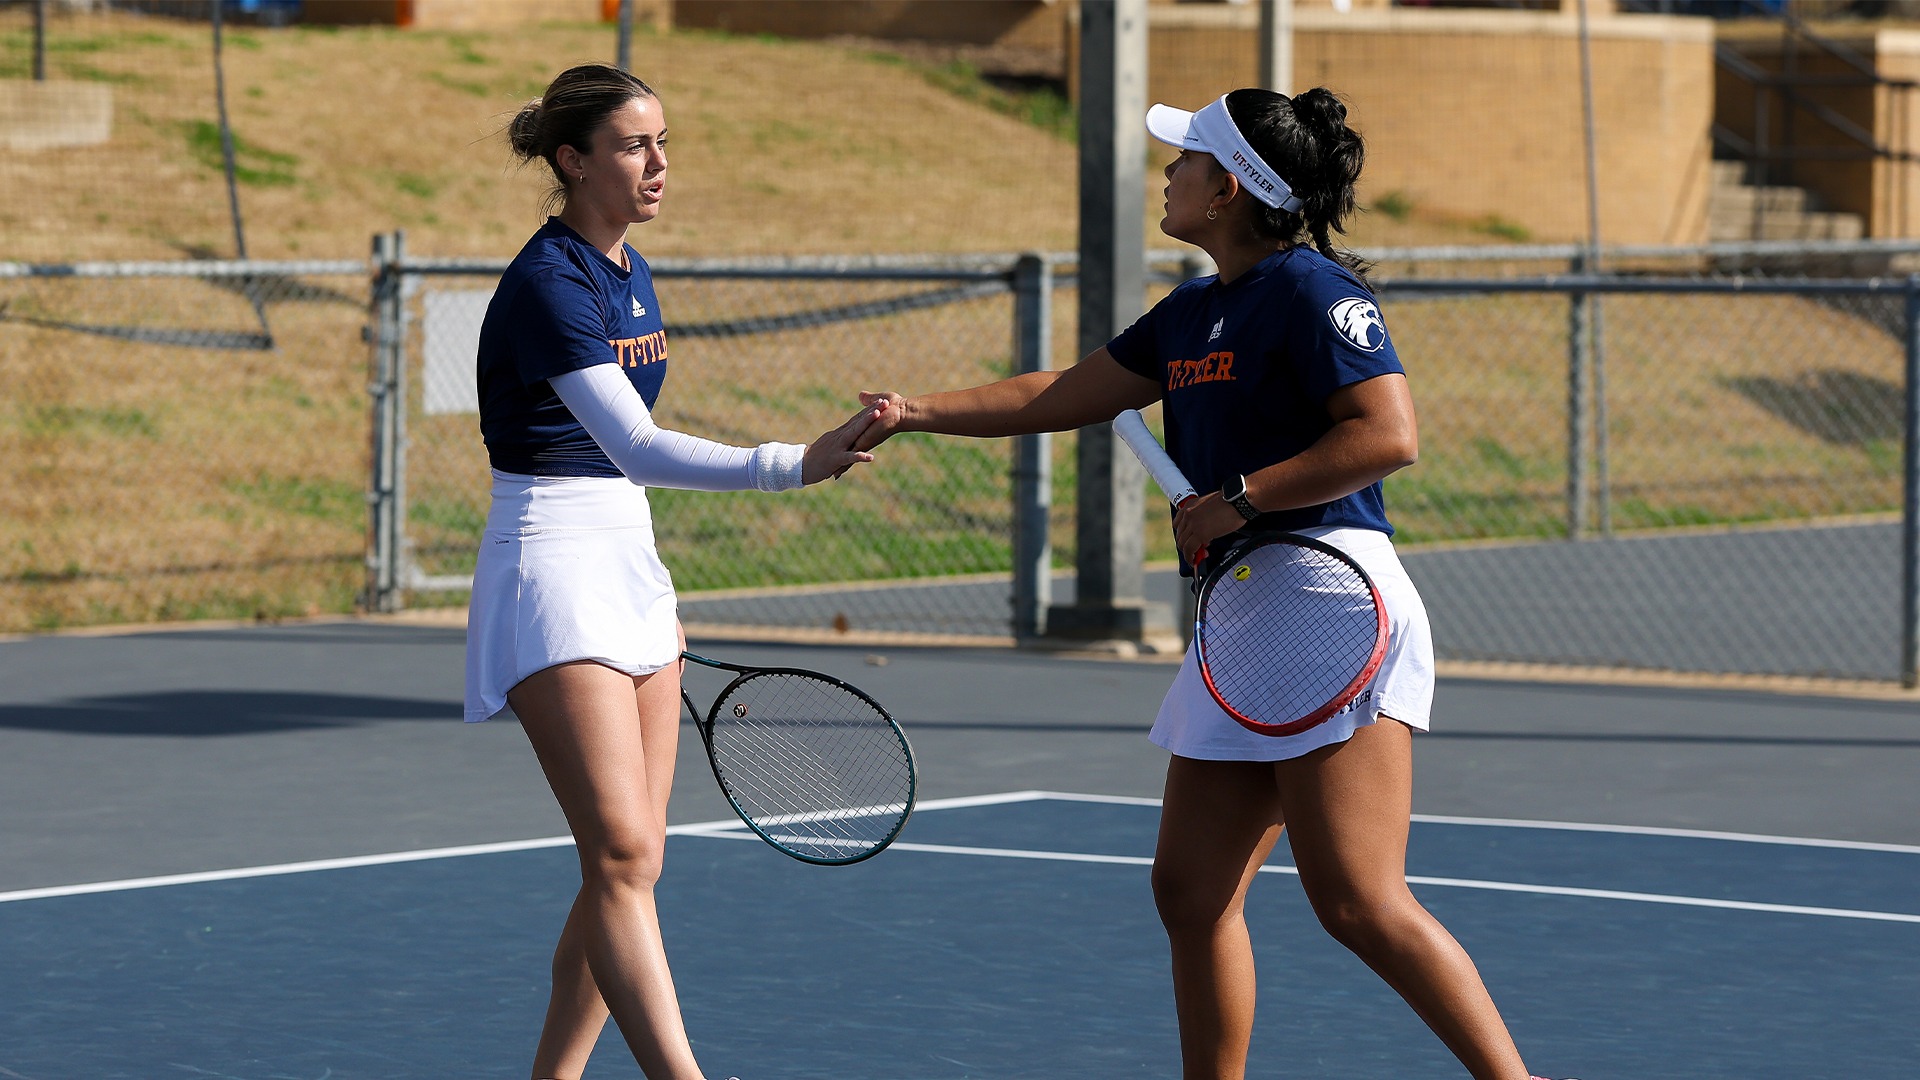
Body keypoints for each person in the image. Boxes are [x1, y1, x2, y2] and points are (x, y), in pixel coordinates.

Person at [854, 89, 1564, 1080]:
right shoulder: (1194, 312)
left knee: (1358, 901)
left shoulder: (1314, 294)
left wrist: (1242, 495)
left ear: (1226, 188)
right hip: (1247, 621)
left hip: (1331, 604)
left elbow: (1387, 436)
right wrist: (914, 409)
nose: (1171, 174)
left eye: (1186, 160)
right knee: (1190, 892)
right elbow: (1066, 392)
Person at [464, 63, 877, 1080]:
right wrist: (793, 463)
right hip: (551, 568)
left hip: (630, 567)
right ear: (574, 161)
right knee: (621, 858)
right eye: (635, 145)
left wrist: (654, 593)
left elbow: (632, 478)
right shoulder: (549, 284)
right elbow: (635, 446)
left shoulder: (627, 269)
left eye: (661, 141)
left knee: (632, 864)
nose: (660, 163)